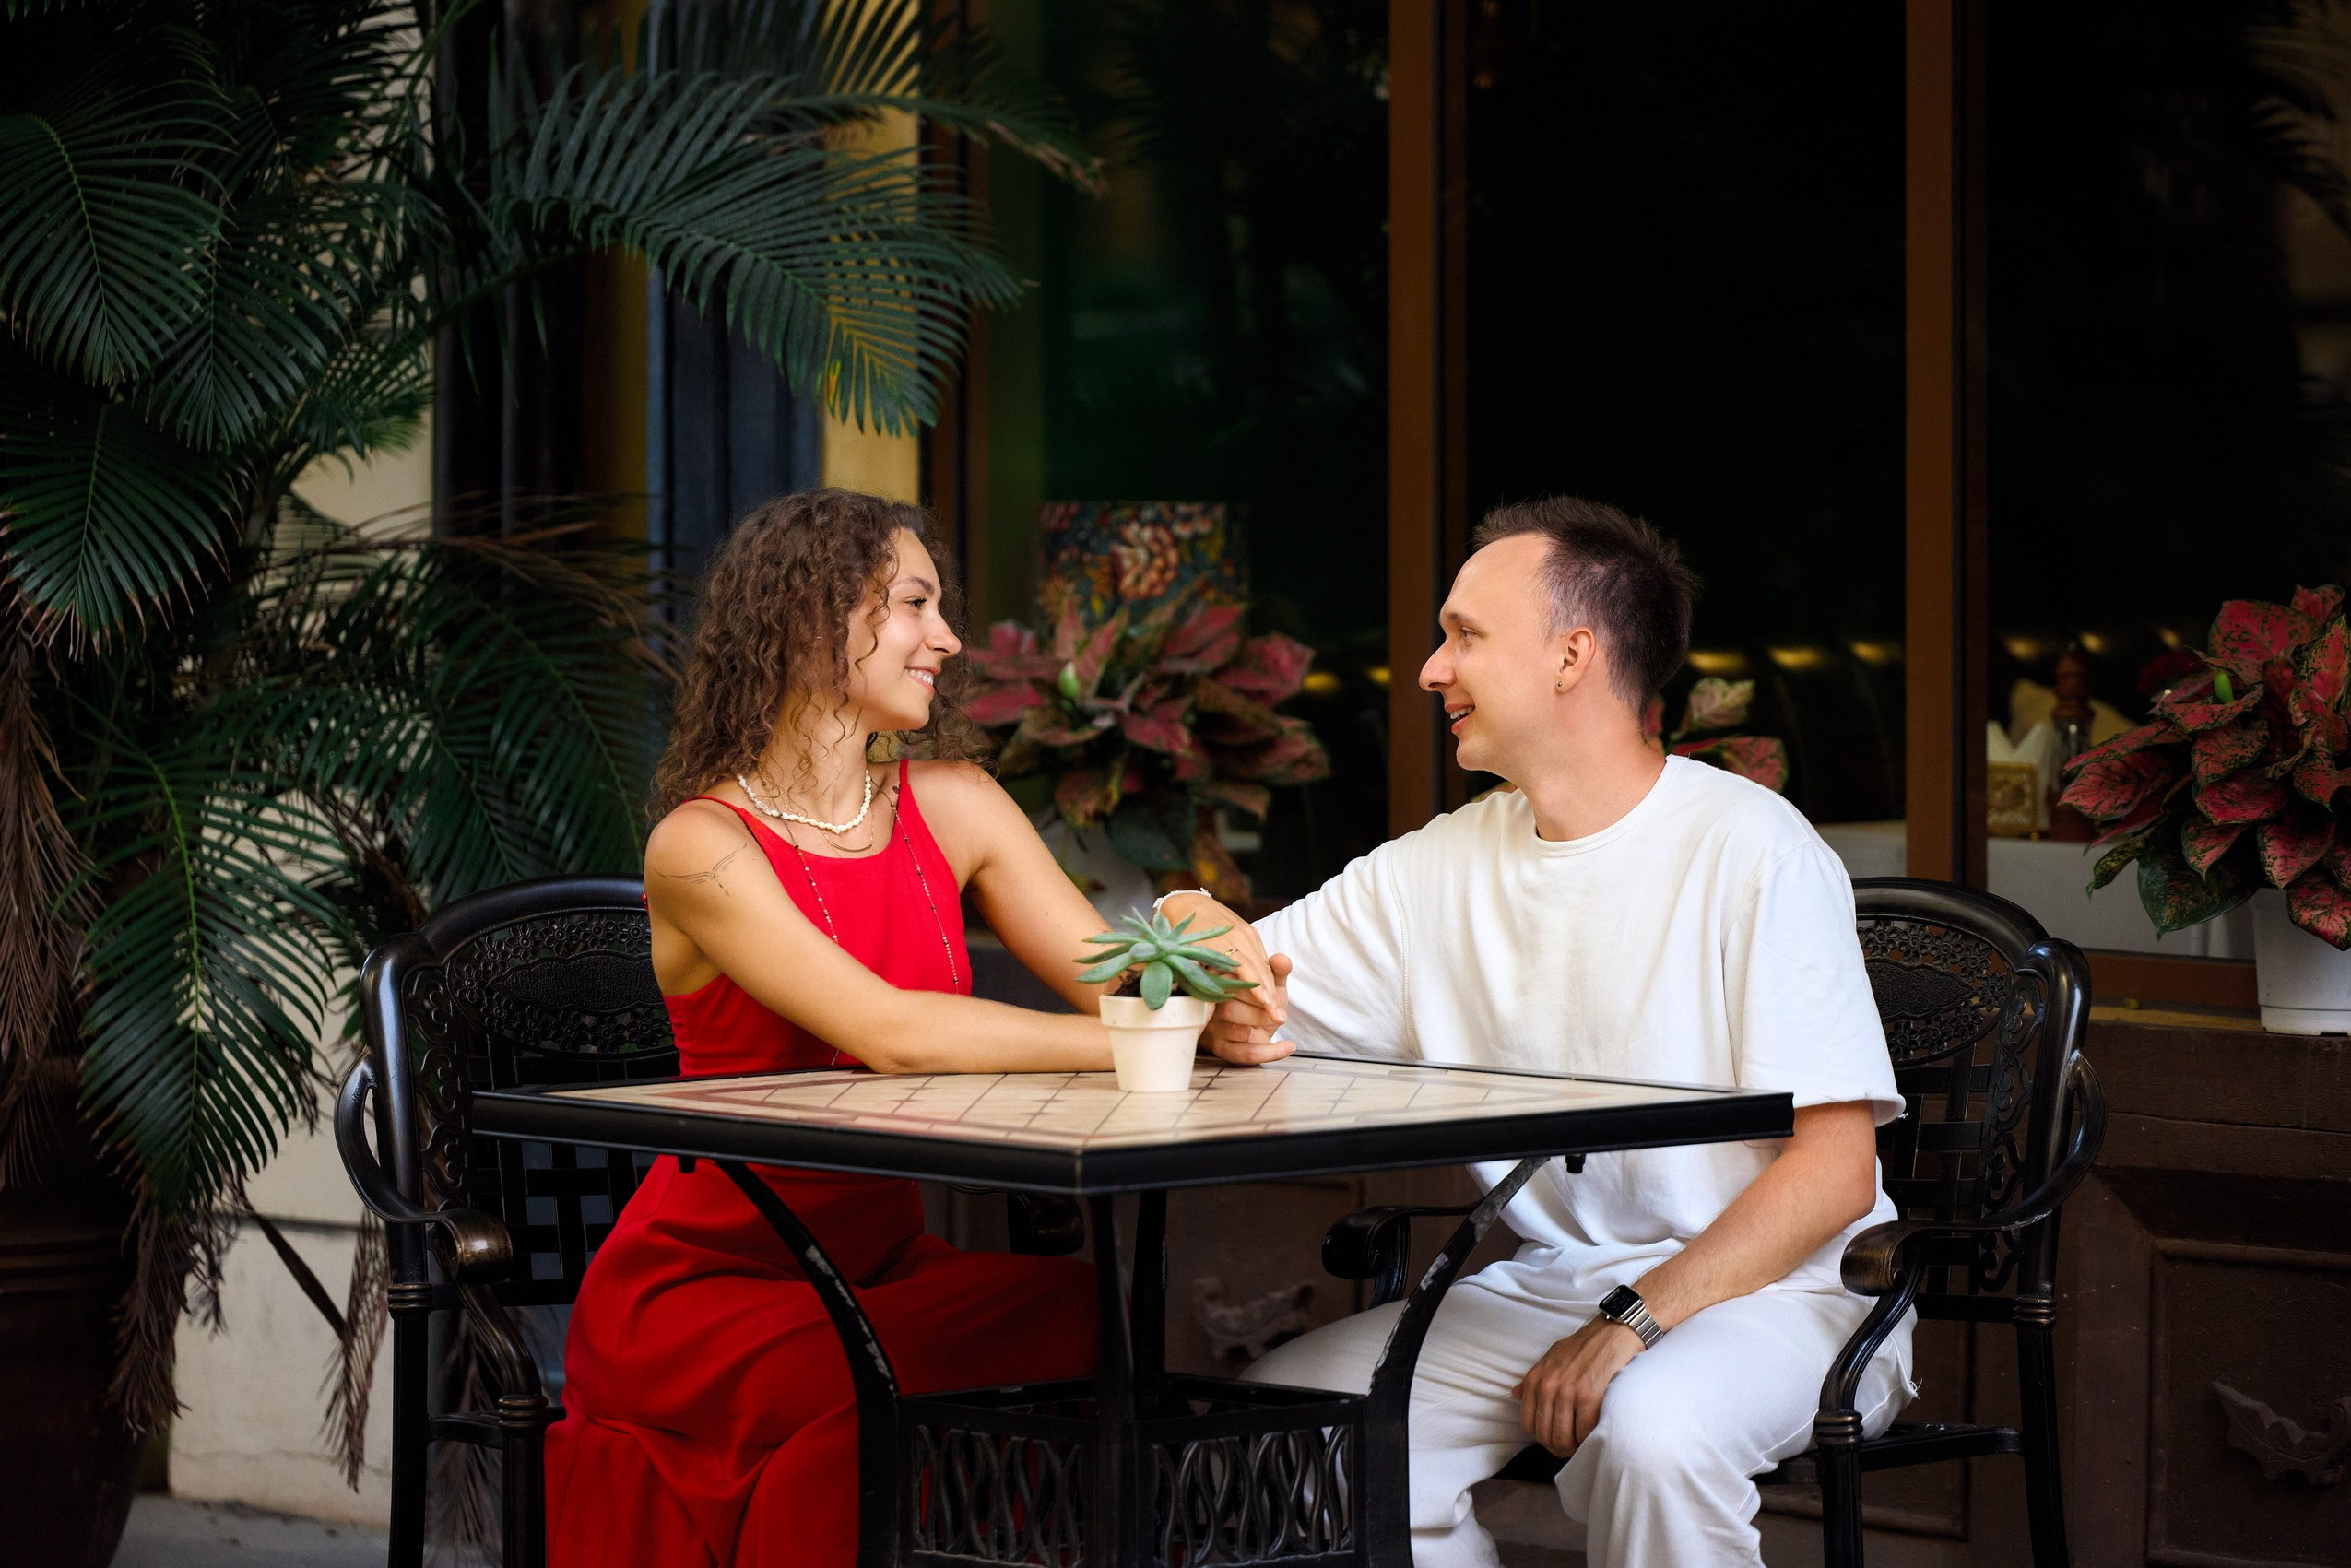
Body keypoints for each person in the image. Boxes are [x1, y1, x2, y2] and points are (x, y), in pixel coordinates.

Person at [1167, 496, 1914, 1568]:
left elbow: (1837, 1173)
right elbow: (1231, 979)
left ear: (1573, 655)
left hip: (1782, 1294)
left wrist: (1633, 1322)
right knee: (1296, 1421)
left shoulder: (1755, 850)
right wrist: (1190, 920)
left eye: (1464, 635)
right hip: (1554, 1288)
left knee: (1651, 1434)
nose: (1430, 670)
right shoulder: (1439, 867)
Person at [546, 489, 1284, 1568]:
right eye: (911, 604)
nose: (946, 637)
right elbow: (886, 1030)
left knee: (1089, 1314)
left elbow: (1115, 981)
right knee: (866, 1388)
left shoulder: (960, 803)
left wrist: (1205, 951)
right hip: (710, 1296)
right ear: (809, 617)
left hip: (881, 1272)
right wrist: (1157, 1042)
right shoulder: (700, 844)